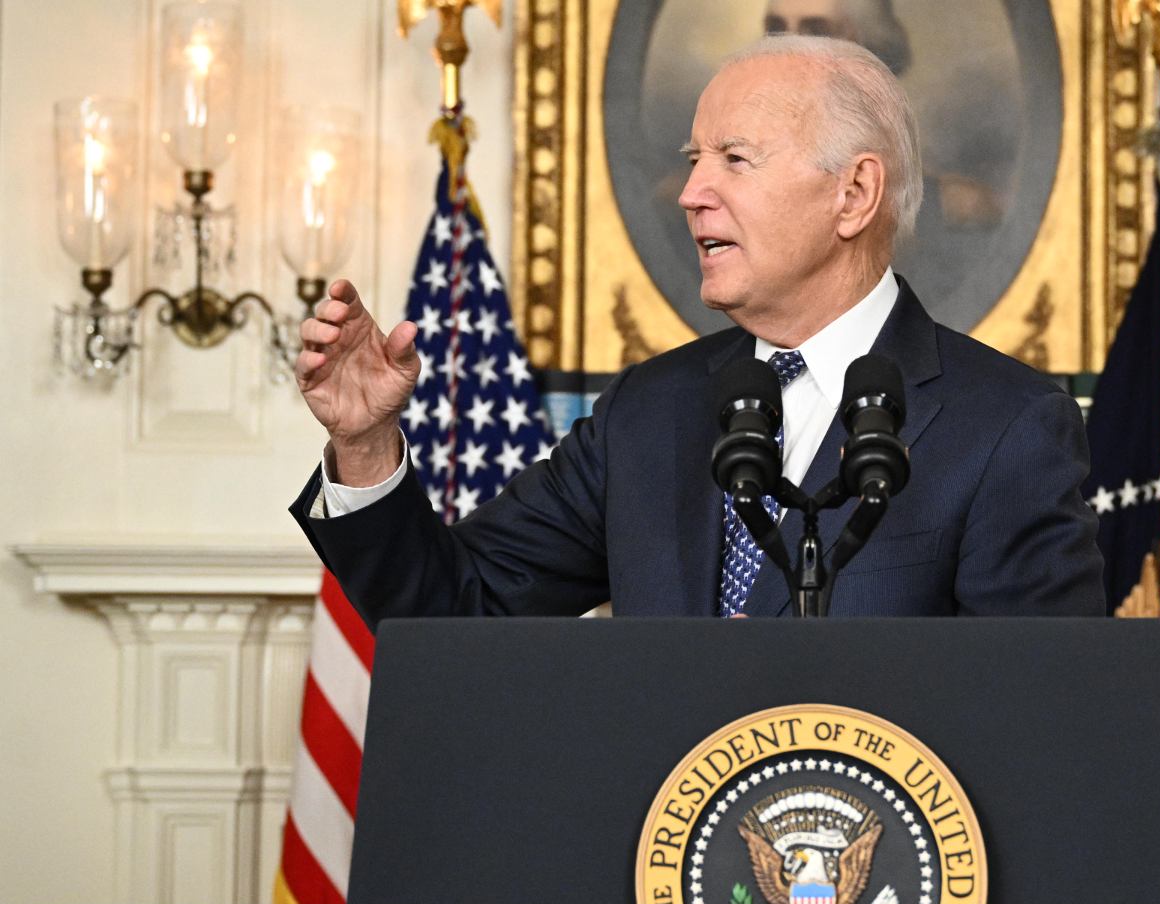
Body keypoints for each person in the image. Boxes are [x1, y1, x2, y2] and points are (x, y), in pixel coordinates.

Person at [290, 35, 1104, 625]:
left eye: (734, 160)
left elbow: (1035, 724)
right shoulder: (648, 411)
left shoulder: (1007, 426)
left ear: (854, 195)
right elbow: (454, 611)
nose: (690, 192)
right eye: (692, 158)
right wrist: (365, 447)